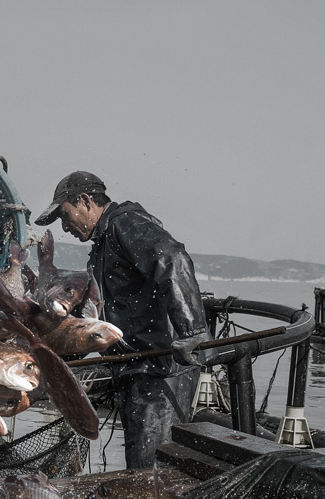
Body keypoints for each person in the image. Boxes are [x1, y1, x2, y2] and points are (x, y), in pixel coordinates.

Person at [34, 170, 208, 469]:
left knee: (149, 465)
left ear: (85, 201)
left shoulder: (124, 224)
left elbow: (171, 258)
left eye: (65, 215)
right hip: (132, 365)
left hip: (159, 368)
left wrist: (192, 330)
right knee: (137, 459)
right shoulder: (102, 244)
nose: (65, 227)